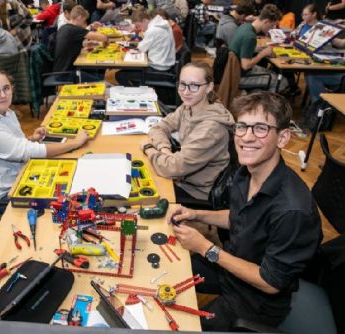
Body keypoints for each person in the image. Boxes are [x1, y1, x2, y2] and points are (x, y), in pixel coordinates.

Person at [169, 91, 322, 331]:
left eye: (260, 128)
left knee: (184, 328)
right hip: (231, 270)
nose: (246, 138)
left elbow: (270, 282)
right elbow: (239, 217)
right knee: (170, 270)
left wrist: (206, 248)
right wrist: (196, 214)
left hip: (254, 301)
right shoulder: (245, 172)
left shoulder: (293, 210)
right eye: (242, 127)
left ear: (283, 138)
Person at [0, 68, 90, 202]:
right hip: (5, 195)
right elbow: (32, 151)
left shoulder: (5, 111)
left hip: (20, 175)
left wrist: (31, 139)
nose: (3, 95)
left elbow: (10, 145)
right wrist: (75, 143)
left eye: (6, 88)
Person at [142, 62, 234, 201]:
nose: (185, 92)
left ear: (209, 87)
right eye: (182, 84)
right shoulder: (189, 106)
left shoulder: (211, 129)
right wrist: (165, 149)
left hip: (197, 190)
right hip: (182, 177)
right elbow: (159, 127)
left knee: (143, 197)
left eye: (194, 86)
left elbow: (172, 168)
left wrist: (148, 148)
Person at [229, 4, 288, 93]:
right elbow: (246, 66)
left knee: (271, 74)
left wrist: (256, 49)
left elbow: (241, 48)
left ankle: (255, 95)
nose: (271, 29)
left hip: (233, 70)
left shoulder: (245, 26)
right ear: (266, 21)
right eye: (272, 26)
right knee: (282, 82)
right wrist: (262, 54)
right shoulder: (250, 36)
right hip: (239, 75)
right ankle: (261, 103)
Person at [115, 9, 175, 86]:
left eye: (138, 26)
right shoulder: (162, 25)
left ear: (144, 20)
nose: (141, 29)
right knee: (128, 69)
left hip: (158, 68)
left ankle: (138, 94)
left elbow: (141, 48)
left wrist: (132, 46)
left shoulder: (153, 30)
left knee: (120, 75)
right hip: (166, 66)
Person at [53, 5, 108, 81]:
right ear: (79, 18)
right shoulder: (75, 30)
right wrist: (106, 37)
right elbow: (103, 37)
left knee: (95, 72)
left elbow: (70, 45)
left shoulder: (64, 28)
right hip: (67, 74)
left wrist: (84, 44)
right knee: (101, 83)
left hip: (59, 70)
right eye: (84, 20)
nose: (84, 23)